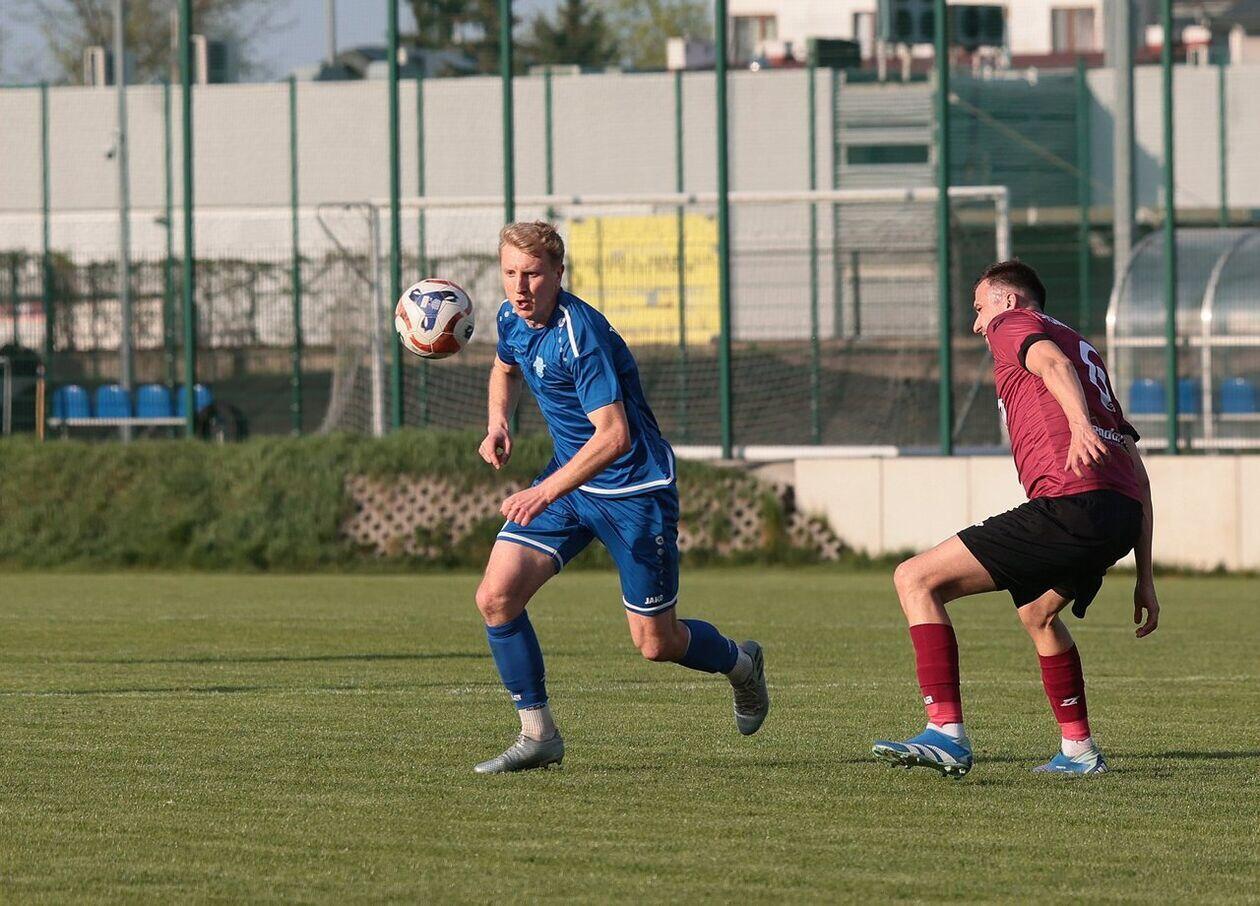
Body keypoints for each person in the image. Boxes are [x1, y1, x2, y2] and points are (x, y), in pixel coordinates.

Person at [471, 221, 770, 774]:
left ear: (558, 273)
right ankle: (538, 734)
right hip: (570, 484)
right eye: (510, 273)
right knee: (496, 597)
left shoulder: (579, 334)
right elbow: (504, 368)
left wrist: (542, 491)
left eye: (532, 274)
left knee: (656, 643)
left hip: (633, 490)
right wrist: (498, 423)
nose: (520, 286)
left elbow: (614, 437)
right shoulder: (511, 317)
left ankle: (741, 665)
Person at [872, 260, 1160, 778]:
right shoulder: (1084, 347)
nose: (976, 324)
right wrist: (1145, 577)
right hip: (1117, 515)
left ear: (1007, 301)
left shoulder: (1013, 324)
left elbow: (1051, 364)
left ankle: (946, 734)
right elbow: (1136, 474)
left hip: (1071, 504)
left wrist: (1078, 427)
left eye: (978, 308)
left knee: (914, 579)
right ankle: (1079, 751)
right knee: (1038, 614)